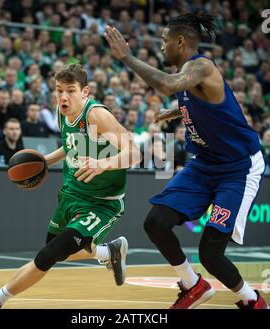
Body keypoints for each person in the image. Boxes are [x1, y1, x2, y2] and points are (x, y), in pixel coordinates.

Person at [105, 12, 268, 309]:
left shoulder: (202, 67)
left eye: (165, 41)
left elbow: (169, 84)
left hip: (238, 169)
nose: (161, 46)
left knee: (211, 254)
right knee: (156, 222)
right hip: (205, 163)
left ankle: (252, 301)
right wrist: (176, 111)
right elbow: (197, 100)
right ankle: (194, 285)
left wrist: (127, 57)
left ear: (181, 41)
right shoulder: (190, 76)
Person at [0, 64, 141, 309]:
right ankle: (109, 253)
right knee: (55, 249)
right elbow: (70, 146)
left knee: (48, 255)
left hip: (101, 203)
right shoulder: (61, 111)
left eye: (71, 90)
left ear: (85, 92)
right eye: (58, 90)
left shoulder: (96, 115)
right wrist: (44, 162)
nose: (63, 96)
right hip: (71, 193)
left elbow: (135, 153)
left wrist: (103, 163)